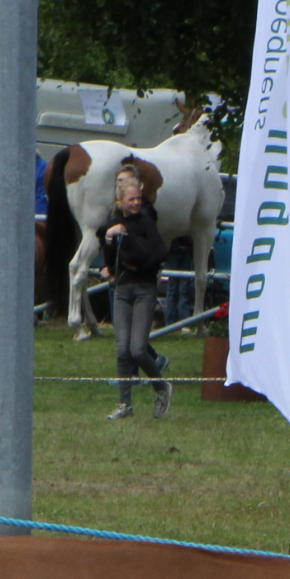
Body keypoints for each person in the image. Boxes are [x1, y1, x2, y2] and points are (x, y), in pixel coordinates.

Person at [101, 169, 172, 421]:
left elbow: (160, 252)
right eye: (131, 199)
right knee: (122, 350)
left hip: (144, 289)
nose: (135, 203)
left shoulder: (145, 222)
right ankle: (124, 404)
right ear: (120, 201)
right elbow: (108, 261)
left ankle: (161, 389)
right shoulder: (112, 222)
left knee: (138, 350)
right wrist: (109, 239)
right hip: (122, 290)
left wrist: (142, 266)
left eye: (138, 199)